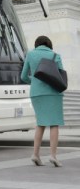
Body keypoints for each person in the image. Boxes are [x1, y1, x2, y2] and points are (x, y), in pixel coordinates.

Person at [21, 35, 64, 167]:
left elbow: (23, 76)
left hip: (36, 93)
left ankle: (35, 154)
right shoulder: (55, 55)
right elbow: (61, 75)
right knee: (54, 123)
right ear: (49, 44)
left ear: (37, 44)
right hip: (52, 93)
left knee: (40, 123)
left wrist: (34, 82)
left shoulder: (30, 54)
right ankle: (53, 156)